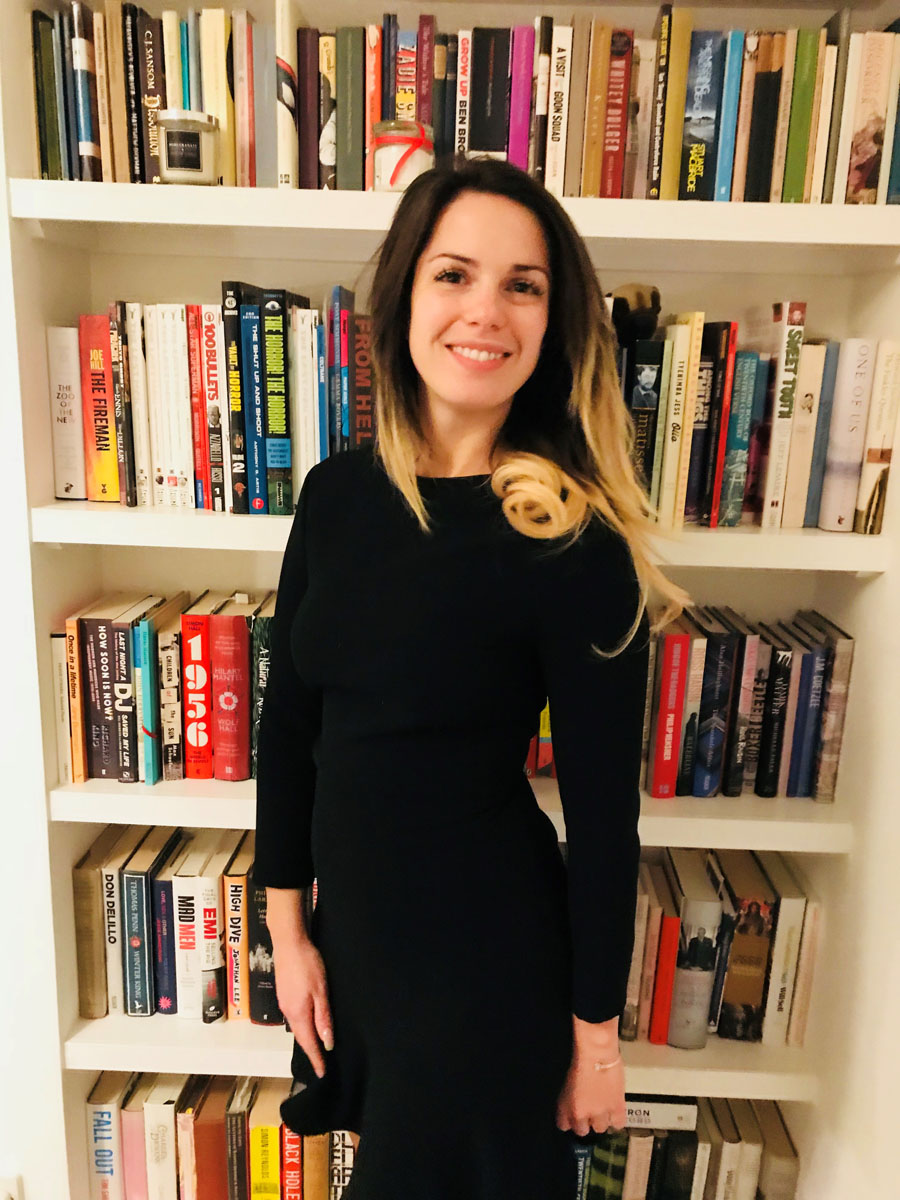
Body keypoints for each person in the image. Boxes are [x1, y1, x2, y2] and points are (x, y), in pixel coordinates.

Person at [253, 157, 687, 1199]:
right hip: (357, 944)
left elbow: (602, 819)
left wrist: (596, 1040)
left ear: (552, 323)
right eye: (454, 274)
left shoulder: (571, 537)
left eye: (522, 285)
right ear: (405, 291)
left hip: (483, 963)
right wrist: (286, 929)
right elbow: (292, 720)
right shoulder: (336, 496)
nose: (484, 310)